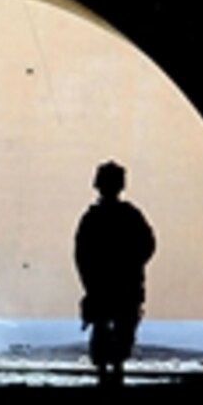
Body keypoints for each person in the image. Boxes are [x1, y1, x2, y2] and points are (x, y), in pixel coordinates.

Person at [74, 161, 156, 387]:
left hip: (105, 286)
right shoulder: (129, 215)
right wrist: (132, 265)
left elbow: (82, 255)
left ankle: (106, 371)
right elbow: (148, 245)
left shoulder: (93, 218)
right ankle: (114, 370)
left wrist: (91, 282)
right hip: (122, 285)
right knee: (120, 331)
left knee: (108, 330)